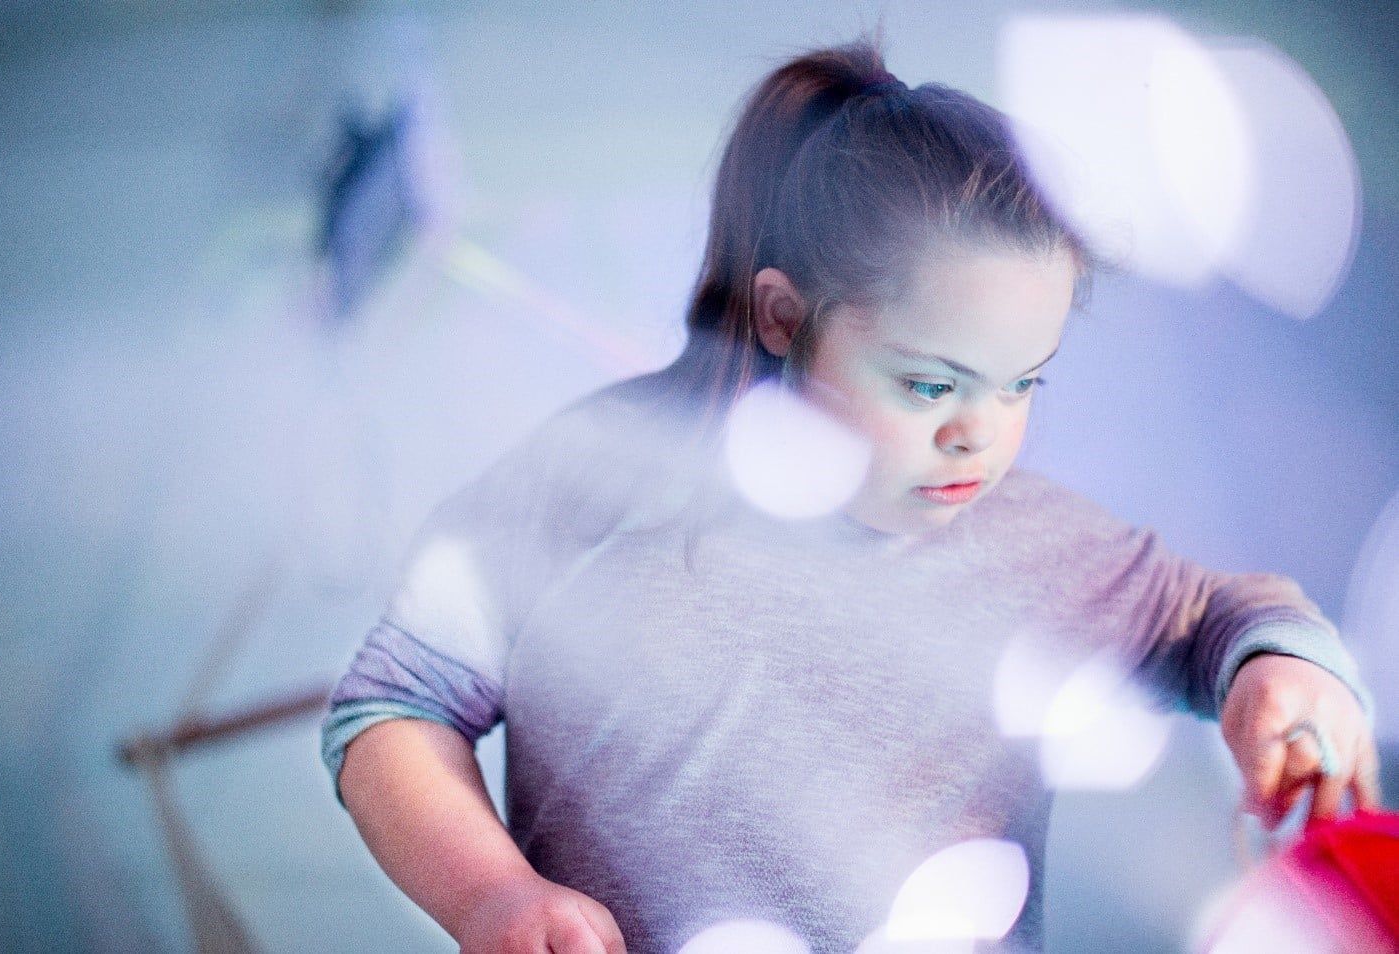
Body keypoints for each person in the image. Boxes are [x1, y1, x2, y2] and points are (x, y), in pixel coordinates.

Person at [320, 40, 1381, 954]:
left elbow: (1224, 620)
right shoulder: (593, 480)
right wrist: (494, 894)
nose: (981, 433)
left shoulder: (1038, 546)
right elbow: (393, 706)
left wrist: (1277, 673)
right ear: (783, 316)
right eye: (929, 384)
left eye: (1022, 383)